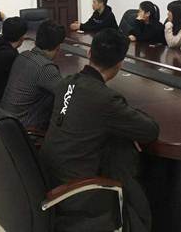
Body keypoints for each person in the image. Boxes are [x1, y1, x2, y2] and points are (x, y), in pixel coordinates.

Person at [41, 29, 159, 232]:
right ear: (120, 64)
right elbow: (150, 131)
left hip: (47, 176)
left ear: (89, 53)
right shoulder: (105, 99)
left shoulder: (66, 83)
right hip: (77, 191)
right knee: (124, 158)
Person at [0, 20, 65, 130]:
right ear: (59, 46)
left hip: (5, 121)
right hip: (25, 129)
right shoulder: (46, 68)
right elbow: (68, 94)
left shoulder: (23, 56)